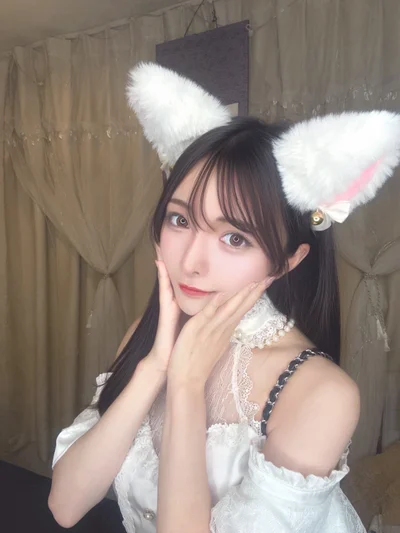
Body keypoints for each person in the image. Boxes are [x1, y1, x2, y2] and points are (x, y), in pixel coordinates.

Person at [48, 63, 400, 533]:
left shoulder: (320, 392)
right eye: (180, 220)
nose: (192, 262)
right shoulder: (148, 337)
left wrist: (187, 385)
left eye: (235, 238)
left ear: (287, 260)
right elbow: (65, 505)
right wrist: (154, 368)